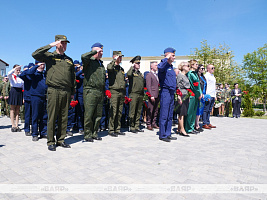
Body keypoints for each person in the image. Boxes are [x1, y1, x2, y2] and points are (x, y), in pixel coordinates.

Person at [32, 35, 75, 151]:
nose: (65, 45)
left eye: (66, 43)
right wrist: (50, 45)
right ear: (57, 43)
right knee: (52, 116)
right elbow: (35, 54)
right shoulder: (50, 56)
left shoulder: (69, 60)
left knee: (64, 116)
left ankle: (61, 140)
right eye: (63, 43)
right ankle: (51, 141)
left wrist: (72, 92)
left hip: (66, 91)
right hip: (54, 89)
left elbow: (72, 76)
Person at [81, 42, 106, 142]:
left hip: (100, 91)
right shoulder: (89, 61)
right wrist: (94, 51)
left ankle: (95, 133)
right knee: (89, 114)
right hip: (90, 90)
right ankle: (87, 134)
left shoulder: (101, 64)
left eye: (102, 51)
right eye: (100, 51)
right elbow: (83, 56)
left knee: (98, 114)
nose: (101, 53)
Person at [24, 61, 48, 141]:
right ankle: (34, 133)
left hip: (44, 96)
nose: (43, 66)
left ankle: (43, 132)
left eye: (44, 64)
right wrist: (36, 67)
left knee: (44, 116)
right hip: (35, 97)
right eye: (41, 64)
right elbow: (26, 73)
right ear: (37, 65)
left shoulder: (44, 74)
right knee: (35, 116)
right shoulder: (33, 73)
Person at [158, 48, 177, 142]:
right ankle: (162, 135)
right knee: (164, 114)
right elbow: (160, 67)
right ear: (168, 55)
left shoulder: (171, 67)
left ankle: (168, 133)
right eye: (172, 55)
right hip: (165, 92)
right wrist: (166, 58)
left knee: (170, 115)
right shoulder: (163, 66)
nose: (174, 57)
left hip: (171, 92)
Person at [107, 51, 126, 136]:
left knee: (119, 111)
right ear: (115, 57)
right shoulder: (112, 66)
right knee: (113, 111)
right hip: (114, 91)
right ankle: (111, 130)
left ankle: (117, 129)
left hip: (121, 92)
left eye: (121, 57)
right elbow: (109, 68)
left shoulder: (121, 69)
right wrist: (114, 60)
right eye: (119, 57)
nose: (121, 58)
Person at [184, 60, 202, 134]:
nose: (197, 65)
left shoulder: (195, 73)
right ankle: (188, 128)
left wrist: (200, 93)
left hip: (196, 95)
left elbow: (198, 86)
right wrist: (198, 94)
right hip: (192, 94)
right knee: (190, 112)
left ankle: (191, 127)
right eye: (195, 64)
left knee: (194, 112)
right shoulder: (190, 73)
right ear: (192, 65)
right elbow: (194, 86)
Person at [127, 55, 144, 133]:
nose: (139, 65)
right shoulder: (132, 72)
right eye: (137, 63)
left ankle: (137, 126)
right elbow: (128, 75)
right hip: (133, 94)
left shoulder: (140, 73)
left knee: (138, 111)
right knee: (132, 111)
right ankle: (132, 126)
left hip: (140, 94)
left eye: (139, 63)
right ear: (134, 64)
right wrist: (132, 67)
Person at [7, 65, 24, 132]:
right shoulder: (12, 76)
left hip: (19, 92)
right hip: (14, 91)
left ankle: (17, 125)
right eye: (17, 70)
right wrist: (14, 68)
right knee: (12, 109)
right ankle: (13, 125)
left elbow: (23, 86)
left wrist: (23, 97)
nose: (18, 71)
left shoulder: (21, 77)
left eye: (19, 70)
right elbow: (8, 73)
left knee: (17, 110)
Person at [19, 63, 34, 136]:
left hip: (35, 97)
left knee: (35, 115)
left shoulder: (35, 75)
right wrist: (27, 70)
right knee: (27, 114)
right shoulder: (26, 75)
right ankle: (27, 129)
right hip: (28, 97)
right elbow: (21, 75)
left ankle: (34, 129)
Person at [176, 62, 190, 137]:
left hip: (186, 94)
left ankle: (179, 128)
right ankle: (182, 129)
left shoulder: (185, 76)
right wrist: (178, 97)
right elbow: (177, 86)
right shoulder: (180, 75)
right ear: (183, 66)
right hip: (181, 95)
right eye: (187, 66)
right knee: (181, 113)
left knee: (184, 112)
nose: (189, 67)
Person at [146, 61, 159, 131]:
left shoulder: (156, 75)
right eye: (155, 65)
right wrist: (151, 95)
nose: (157, 66)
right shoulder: (149, 75)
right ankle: (149, 123)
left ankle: (153, 123)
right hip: (152, 95)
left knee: (156, 110)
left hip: (157, 95)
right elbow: (148, 86)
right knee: (150, 110)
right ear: (151, 67)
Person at [202, 64, 217, 129]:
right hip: (208, 95)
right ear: (208, 69)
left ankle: (208, 122)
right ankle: (204, 123)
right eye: (212, 68)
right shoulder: (206, 76)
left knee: (209, 110)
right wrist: (206, 95)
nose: (213, 69)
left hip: (213, 95)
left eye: (214, 68)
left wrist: (215, 95)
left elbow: (214, 86)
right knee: (206, 109)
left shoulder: (213, 76)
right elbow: (205, 86)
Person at [195, 64, 207, 132]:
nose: (203, 70)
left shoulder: (203, 77)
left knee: (201, 109)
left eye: (203, 68)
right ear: (198, 69)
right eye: (202, 68)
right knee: (197, 109)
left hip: (203, 94)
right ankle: (196, 125)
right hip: (199, 94)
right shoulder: (197, 76)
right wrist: (200, 93)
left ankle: (197, 124)